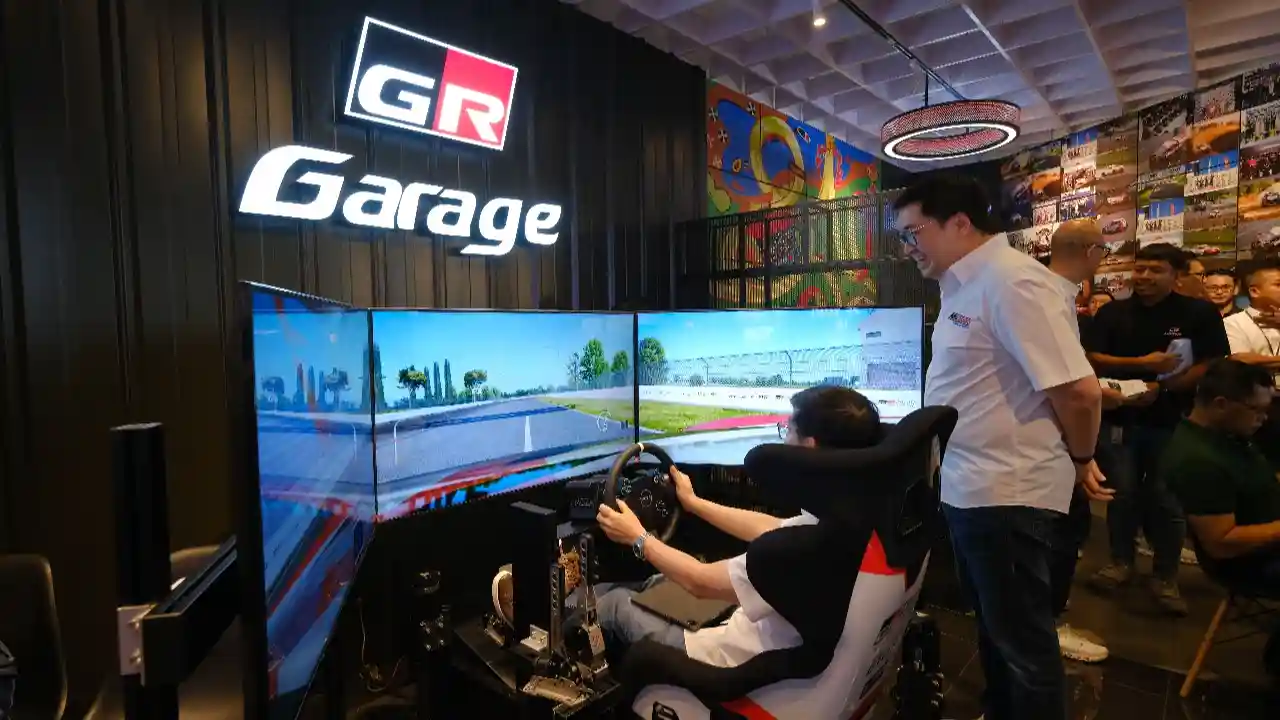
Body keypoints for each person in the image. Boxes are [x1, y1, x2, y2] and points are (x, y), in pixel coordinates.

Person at [893, 176, 1104, 720]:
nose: (906, 247)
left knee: (1023, 643)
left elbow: (1078, 393)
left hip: (1006, 492)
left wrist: (1082, 458)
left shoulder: (1013, 282)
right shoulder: (963, 285)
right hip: (971, 487)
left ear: (960, 223)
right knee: (995, 629)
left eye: (913, 232)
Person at [585, 385, 882, 663]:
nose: (784, 440)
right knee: (655, 583)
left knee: (612, 605)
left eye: (788, 430)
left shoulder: (797, 550)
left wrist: (637, 537)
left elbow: (699, 581)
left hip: (721, 659)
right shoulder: (844, 522)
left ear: (809, 447)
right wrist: (694, 503)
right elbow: (770, 526)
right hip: (767, 645)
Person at [1082, 242, 1231, 615]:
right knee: (1121, 493)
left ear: (1175, 275)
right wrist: (1143, 365)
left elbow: (1213, 361)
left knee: (1167, 498)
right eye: (1140, 268)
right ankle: (1120, 562)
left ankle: (1166, 576)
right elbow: (1093, 357)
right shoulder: (1113, 312)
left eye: (1155, 270)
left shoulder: (1198, 313)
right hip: (1119, 418)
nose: (1144, 276)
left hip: (1172, 419)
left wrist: (1164, 387)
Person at [1163, 359, 1280, 668]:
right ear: (1221, 404)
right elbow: (1221, 543)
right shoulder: (1198, 461)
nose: (1264, 418)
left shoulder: (1227, 435)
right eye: (1256, 410)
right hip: (1248, 562)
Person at [1223, 261, 1280, 469]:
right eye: (1278, 284)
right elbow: (1241, 360)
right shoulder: (1234, 322)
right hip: (1258, 407)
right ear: (1255, 291)